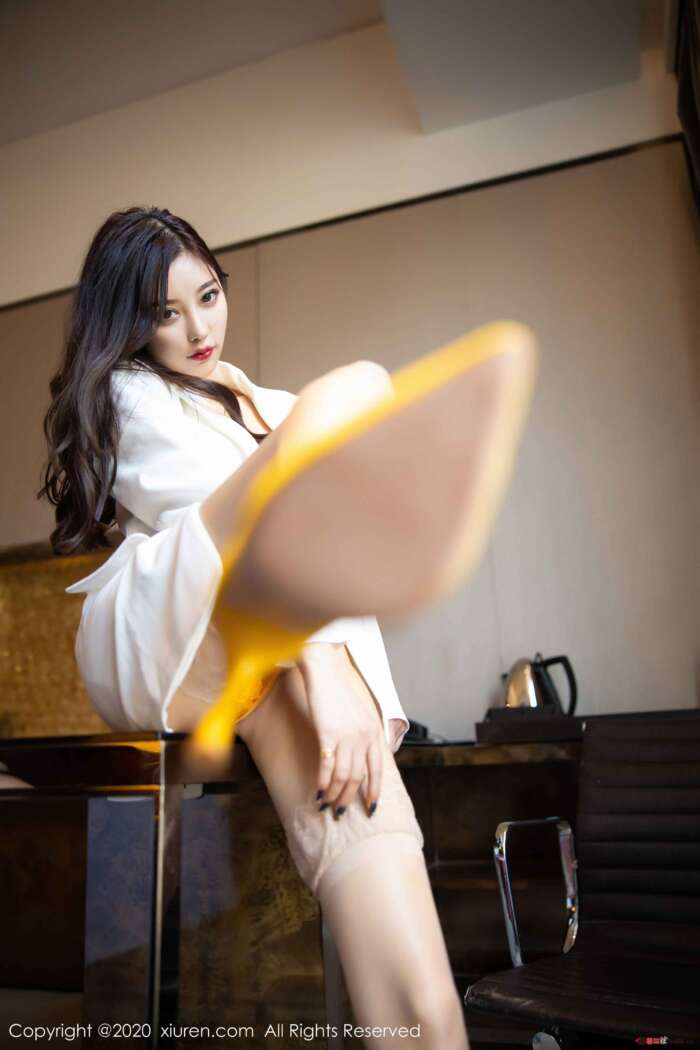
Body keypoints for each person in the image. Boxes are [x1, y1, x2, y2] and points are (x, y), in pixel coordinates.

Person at [40, 206, 474, 1048]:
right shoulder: (129, 390)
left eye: (208, 296)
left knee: (420, 994)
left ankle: (426, 1027)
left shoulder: (252, 402)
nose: (198, 329)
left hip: (260, 669)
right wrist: (329, 661)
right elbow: (241, 529)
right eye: (166, 313)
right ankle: (322, 670)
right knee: (346, 396)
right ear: (131, 324)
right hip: (167, 636)